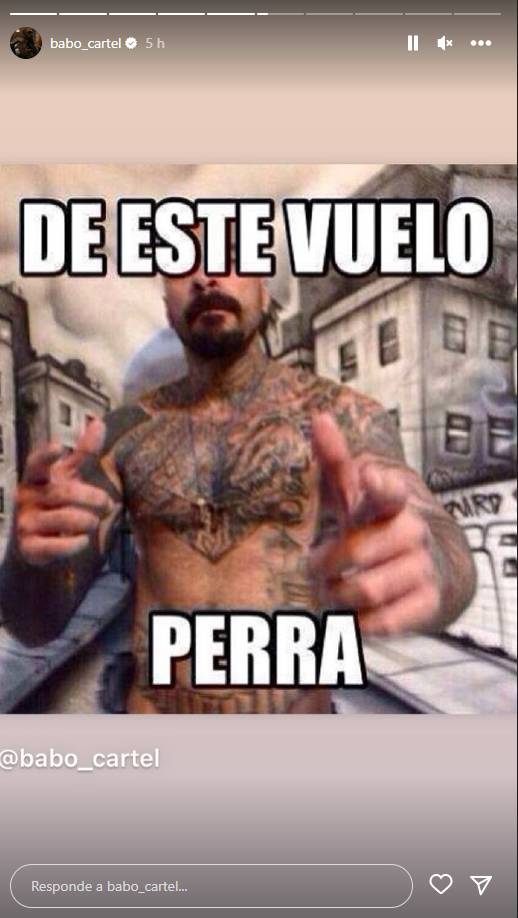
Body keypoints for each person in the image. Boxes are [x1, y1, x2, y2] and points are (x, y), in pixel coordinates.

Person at [0, 263, 477, 714]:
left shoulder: (344, 417)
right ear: (167, 304)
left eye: (230, 257)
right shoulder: (124, 434)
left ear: (263, 291)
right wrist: (28, 557)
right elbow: (34, 624)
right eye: (183, 264)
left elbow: (434, 530)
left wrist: (430, 560)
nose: (205, 276)